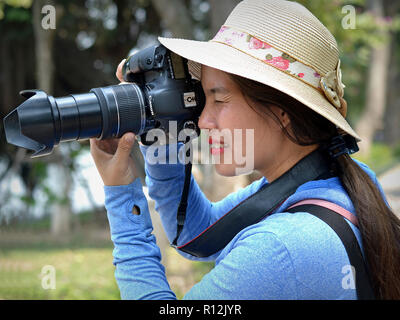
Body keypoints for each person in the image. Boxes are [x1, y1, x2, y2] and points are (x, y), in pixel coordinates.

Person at [89, 0, 400, 299]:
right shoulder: (341, 182)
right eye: (204, 100)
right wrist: (163, 133)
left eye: (219, 100)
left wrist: (121, 194)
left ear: (282, 113)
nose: (203, 120)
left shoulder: (280, 249)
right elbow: (196, 231)